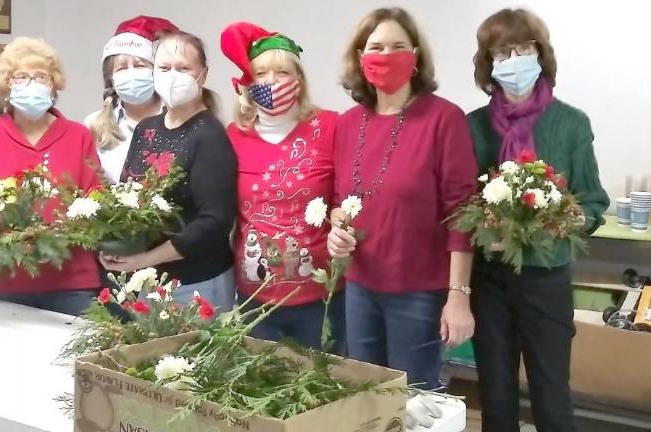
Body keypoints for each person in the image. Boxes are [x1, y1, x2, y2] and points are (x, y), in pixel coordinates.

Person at [467, 9, 609, 431]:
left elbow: (595, 202)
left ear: (540, 54)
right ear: (488, 62)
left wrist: (563, 219)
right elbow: (461, 206)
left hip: (547, 280)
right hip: (491, 281)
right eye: (502, 51)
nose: (514, 59)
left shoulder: (571, 123)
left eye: (524, 48)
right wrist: (485, 229)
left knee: (551, 398)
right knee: (495, 397)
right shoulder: (474, 126)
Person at [328, 7, 477, 389]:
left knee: (416, 400)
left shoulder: (444, 119)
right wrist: (337, 228)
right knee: (365, 396)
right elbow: (340, 200)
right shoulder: (347, 124)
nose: (386, 55)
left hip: (419, 293)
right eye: (376, 47)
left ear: (415, 59)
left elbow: (463, 214)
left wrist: (458, 296)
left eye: (398, 46)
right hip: (360, 288)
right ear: (361, 59)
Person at [0, 37, 102, 316]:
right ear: (6, 87)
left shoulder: (79, 136)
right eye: (21, 77)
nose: (32, 84)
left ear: (54, 85)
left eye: (41, 76)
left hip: (70, 283)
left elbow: (95, 201)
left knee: (73, 358)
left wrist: (61, 233)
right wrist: (3, 240)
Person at [220, 22, 345, 351]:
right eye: (261, 74)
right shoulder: (234, 135)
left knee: (323, 392)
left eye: (283, 72)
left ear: (299, 80)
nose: (272, 82)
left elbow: (345, 194)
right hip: (255, 299)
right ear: (248, 83)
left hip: (320, 297)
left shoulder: (330, 126)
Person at [100, 31, 237, 315]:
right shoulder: (146, 128)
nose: (173, 75)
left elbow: (214, 222)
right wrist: (118, 245)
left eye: (183, 68)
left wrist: (145, 259)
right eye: (164, 68)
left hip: (197, 283)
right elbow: (128, 199)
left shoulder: (209, 136)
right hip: (149, 281)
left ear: (203, 74)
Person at [85, 16, 178, 184]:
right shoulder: (93, 124)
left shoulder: (179, 119)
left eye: (140, 65)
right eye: (121, 68)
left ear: (156, 70)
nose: (131, 73)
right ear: (111, 79)